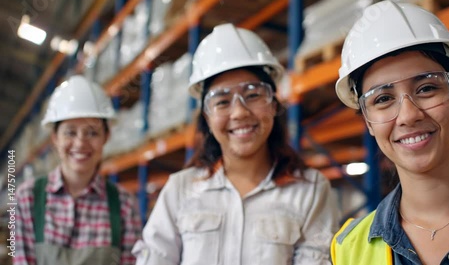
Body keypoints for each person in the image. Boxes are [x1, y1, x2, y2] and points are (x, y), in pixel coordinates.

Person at [132, 23, 340, 264]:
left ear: (274, 104)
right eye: (222, 101)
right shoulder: (179, 191)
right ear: (207, 117)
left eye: (253, 95)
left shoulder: (311, 190)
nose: (239, 112)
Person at [330, 0, 449, 265]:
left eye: (426, 89)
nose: (409, 115)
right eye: (383, 98)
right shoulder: (349, 248)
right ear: (368, 122)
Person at [15, 76, 142, 265]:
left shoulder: (124, 205)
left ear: (106, 137)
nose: (81, 143)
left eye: (92, 132)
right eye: (70, 132)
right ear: (55, 137)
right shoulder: (28, 198)